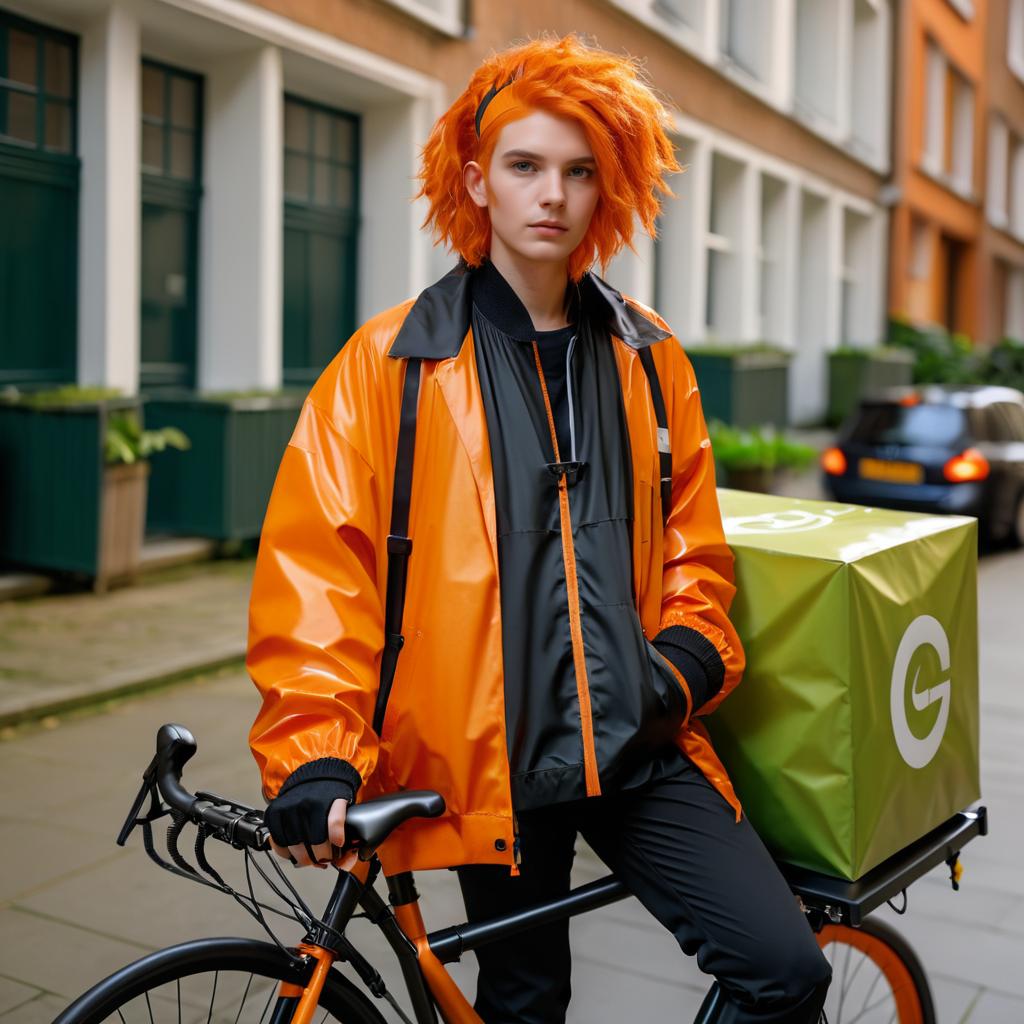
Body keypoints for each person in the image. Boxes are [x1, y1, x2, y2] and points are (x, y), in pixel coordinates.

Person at [247, 34, 831, 1023]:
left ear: (608, 191)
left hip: (635, 748)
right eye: (524, 166)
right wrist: (315, 752)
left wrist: (677, 669)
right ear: (476, 181)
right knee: (524, 999)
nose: (550, 194)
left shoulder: (652, 361)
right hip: (486, 769)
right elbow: (319, 573)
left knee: (785, 967)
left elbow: (695, 550)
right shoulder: (389, 365)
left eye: (577, 172)